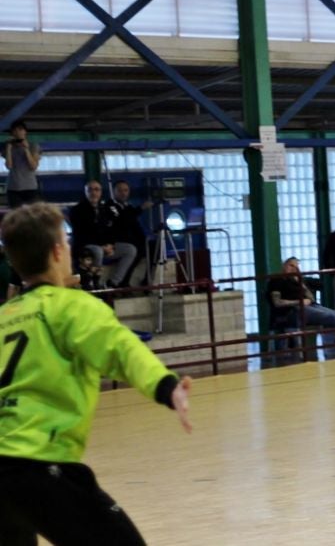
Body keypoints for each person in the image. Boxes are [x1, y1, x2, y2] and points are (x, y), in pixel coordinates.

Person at [0, 202, 192, 544]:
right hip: (38, 463)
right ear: (59, 251)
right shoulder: (71, 306)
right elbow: (120, 347)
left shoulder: (4, 316)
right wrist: (165, 385)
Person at [267, 257, 335, 338]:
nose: (293, 269)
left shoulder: (298, 281)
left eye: (296, 267)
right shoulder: (277, 280)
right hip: (292, 311)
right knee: (331, 317)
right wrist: (299, 302)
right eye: (291, 265)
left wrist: (301, 283)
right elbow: (277, 302)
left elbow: (312, 299)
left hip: (309, 306)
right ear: (284, 266)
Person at [67, 180, 138, 289]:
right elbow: (81, 233)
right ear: (85, 192)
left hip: (104, 245)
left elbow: (112, 229)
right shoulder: (77, 210)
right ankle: (95, 283)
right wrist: (102, 246)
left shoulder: (105, 209)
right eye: (90, 190)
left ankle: (113, 283)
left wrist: (111, 244)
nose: (93, 193)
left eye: (97, 190)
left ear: (100, 192)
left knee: (130, 249)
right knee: (97, 251)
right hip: (85, 245)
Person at [107, 180, 153, 288]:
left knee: (155, 247)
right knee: (134, 249)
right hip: (119, 241)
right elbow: (123, 221)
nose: (123, 193)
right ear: (113, 192)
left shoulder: (128, 206)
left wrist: (145, 238)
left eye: (126, 190)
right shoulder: (110, 206)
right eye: (120, 190)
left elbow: (135, 225)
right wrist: (140, 209)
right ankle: (123, 282)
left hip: (132, 240)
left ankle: (147, 280)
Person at [3, 120, 42, 208]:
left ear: (25, 131)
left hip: (30, 187)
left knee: (32, 214)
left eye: (20, 130)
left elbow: (33, 167)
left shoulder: (33, 146)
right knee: (16, 215)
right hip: (13, 187)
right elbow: (9, 166)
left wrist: (26, 149)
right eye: (15, 131)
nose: (18, 133)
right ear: (12, 133)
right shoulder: (9, 146)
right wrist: (9, 149)